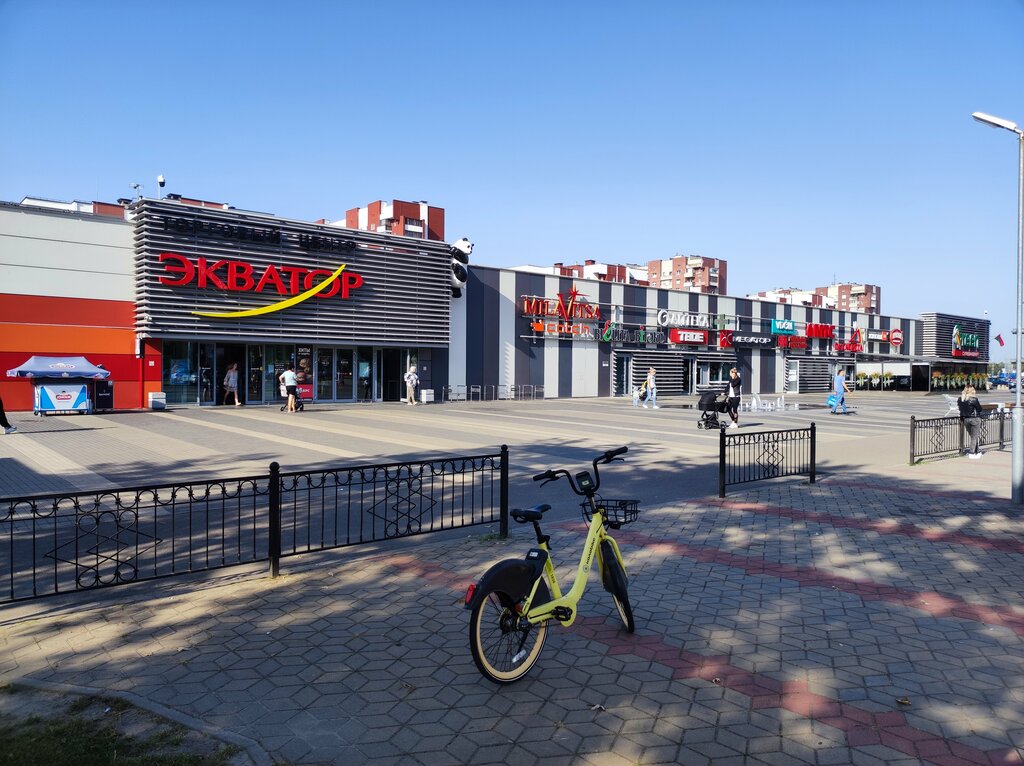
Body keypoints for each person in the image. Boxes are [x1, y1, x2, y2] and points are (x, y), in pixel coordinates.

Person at [958, 384, 984, 458]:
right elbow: (979, 409)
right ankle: (971, 453)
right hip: (975, 419)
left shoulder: (960, 399)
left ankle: (977, 451)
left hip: (965, 419)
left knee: (973, 436)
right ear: (972, 391)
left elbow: (960, 409)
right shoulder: (974, 399)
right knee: (974, 437)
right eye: (974, 389)